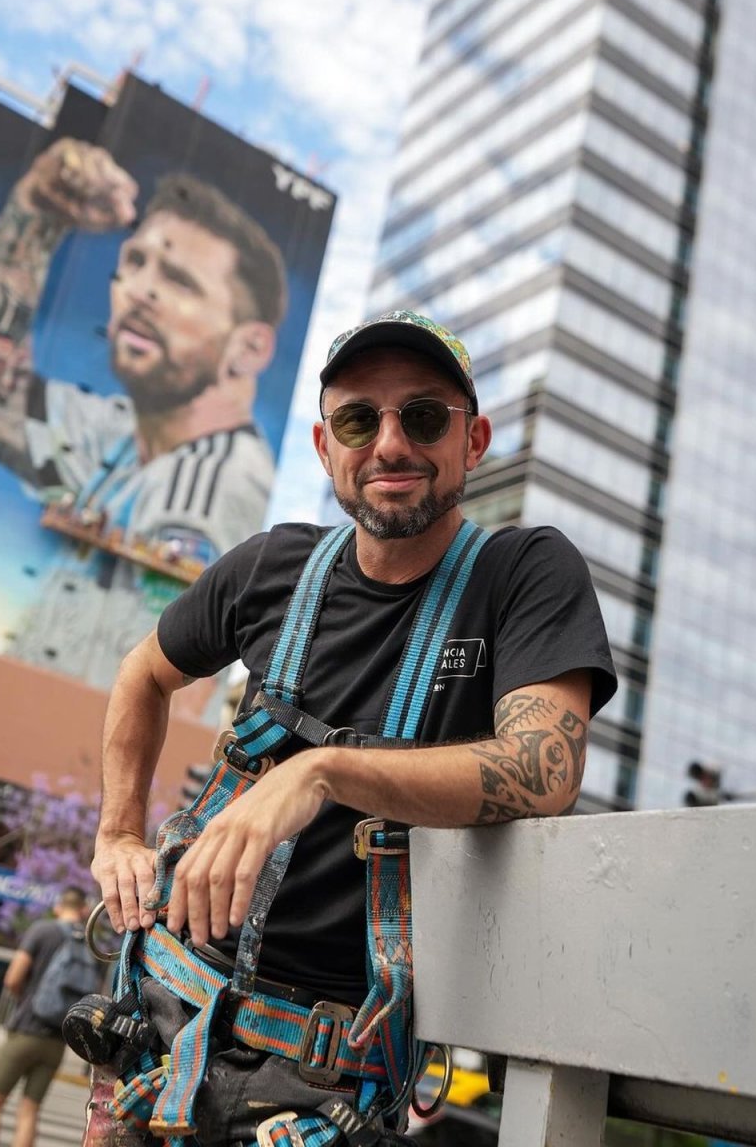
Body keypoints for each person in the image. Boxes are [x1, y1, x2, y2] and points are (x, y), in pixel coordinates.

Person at [86, 309, 618, 1146]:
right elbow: (142, 674)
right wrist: (118, 832)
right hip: (159, 1023)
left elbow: (541, 769)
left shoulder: (523, 575)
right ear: (324, 446)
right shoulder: (270, 567)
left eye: (425, 417)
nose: (391, 445)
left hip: (323, 1080)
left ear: (474, 441)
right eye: (359, 421)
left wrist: (321, 771)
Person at [0, 138, 288, 689]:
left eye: (179, 281)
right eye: (135, 262)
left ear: (250, 348)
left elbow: (157, 685)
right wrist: (37, 211)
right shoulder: (120, 430)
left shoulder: (220, 479)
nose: (140, 291)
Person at [0, 886, 91, 1147]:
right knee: (29, 1110)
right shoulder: (88, 942)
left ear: (58, 907)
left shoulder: (42, 930)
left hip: (27, 1030)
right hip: (58, 1040)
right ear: (83, 910)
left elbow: (13, 978)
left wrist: (24, 999)